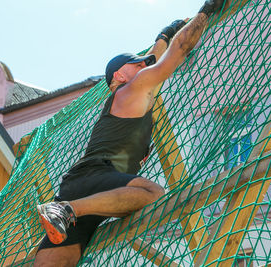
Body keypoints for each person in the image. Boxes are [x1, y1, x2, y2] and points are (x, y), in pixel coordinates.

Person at [34, 0, 225, 265]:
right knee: (154, 194)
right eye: (137, 65)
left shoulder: (131, 93)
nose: (144, 65)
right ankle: (67, 210)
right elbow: (178, 50)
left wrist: (165, 33)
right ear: (119, 77)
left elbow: (154, 56)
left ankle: (67, 210)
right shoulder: (130, 89)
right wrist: (207, 10)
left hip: (84, 190)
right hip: (94, 179)